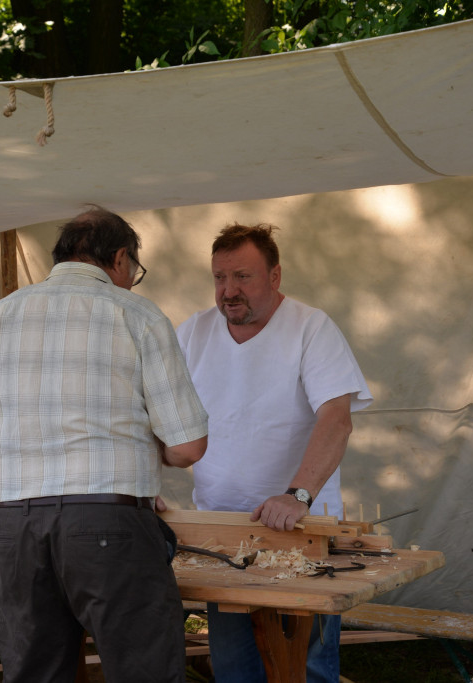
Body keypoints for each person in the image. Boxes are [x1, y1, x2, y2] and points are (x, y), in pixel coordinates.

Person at [0, 206, 208, 683]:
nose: (131, 280)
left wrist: (13, 484)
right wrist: (143, 451)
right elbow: (187, 447)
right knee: (145, 673)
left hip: (16, 527)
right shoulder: (137, 315)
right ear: (119, 259)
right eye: (134, 271)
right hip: (111, 523)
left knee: (37, 674)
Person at [176, 223, 372, 683]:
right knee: (234, 668)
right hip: (222, 535)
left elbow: (336, 419)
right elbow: (154, 419)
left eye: (242, 276)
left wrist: (297, 495)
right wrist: (141, 485)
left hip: (301, 530)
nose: (229, 291)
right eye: (220, 278)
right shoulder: (192, 333)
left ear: (275, 275)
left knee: (307, 667)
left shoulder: (311, 328)